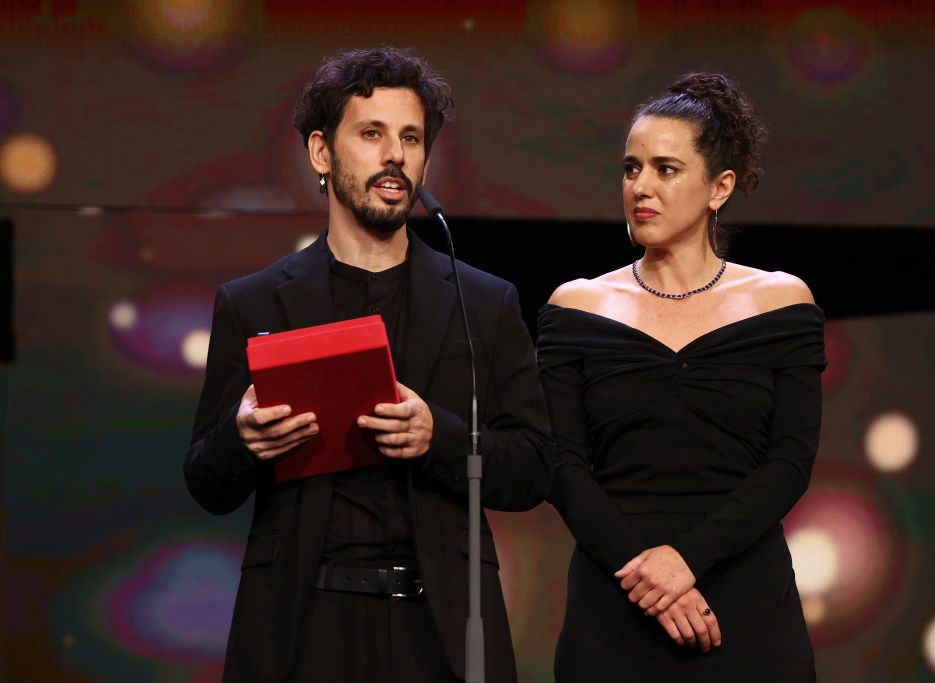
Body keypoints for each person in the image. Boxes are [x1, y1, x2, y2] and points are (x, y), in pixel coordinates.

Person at [184, 47, 553, 683]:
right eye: (372, 133)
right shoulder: (252, 302)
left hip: (442, 626)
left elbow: (534, 469)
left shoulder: (485, 302)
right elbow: (207, 483)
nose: (395, 155)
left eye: (411, 137)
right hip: (301, 625)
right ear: (322, 153)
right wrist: (241, 440)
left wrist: (438, 437)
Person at [536, 72, 826, 681]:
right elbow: (563, 465)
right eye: (630, 168)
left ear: (719, 188)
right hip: (616, 598)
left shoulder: (779, 302)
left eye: (665, 169)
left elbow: (790, 461)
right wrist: (646, 571)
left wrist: (685, 560)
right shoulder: (577, 306)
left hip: (742, 598)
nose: (641, 186)